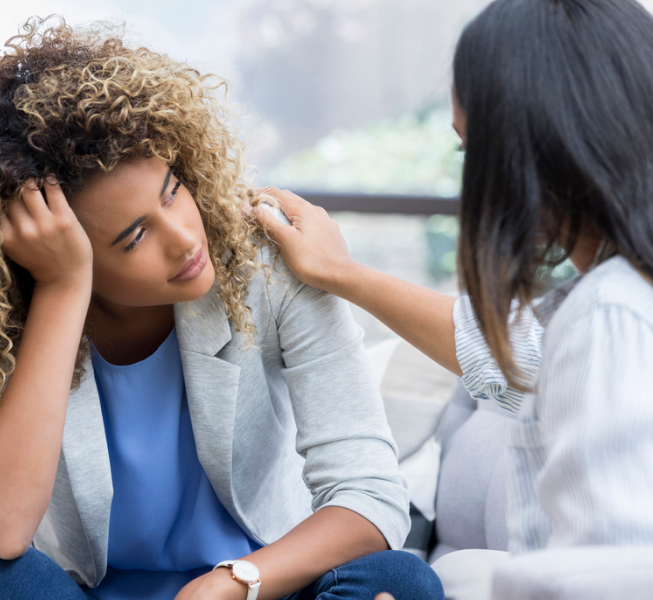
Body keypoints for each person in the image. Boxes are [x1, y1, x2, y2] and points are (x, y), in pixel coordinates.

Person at [0, 17, 441, 600]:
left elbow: (370, 494)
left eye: (173, 191)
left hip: (258, 589)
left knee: (399, 580)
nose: (184, 237)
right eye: (133, 237)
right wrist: (61, 291)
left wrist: (236, 581)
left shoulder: (266, 267)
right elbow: (1, 532)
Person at [251, 0, 653, 598]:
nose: (473, 183)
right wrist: (341, 273)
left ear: (532, 145)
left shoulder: (612, 312)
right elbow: (520, 359)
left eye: (472, 152)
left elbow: (604, 580)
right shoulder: (608, 300)